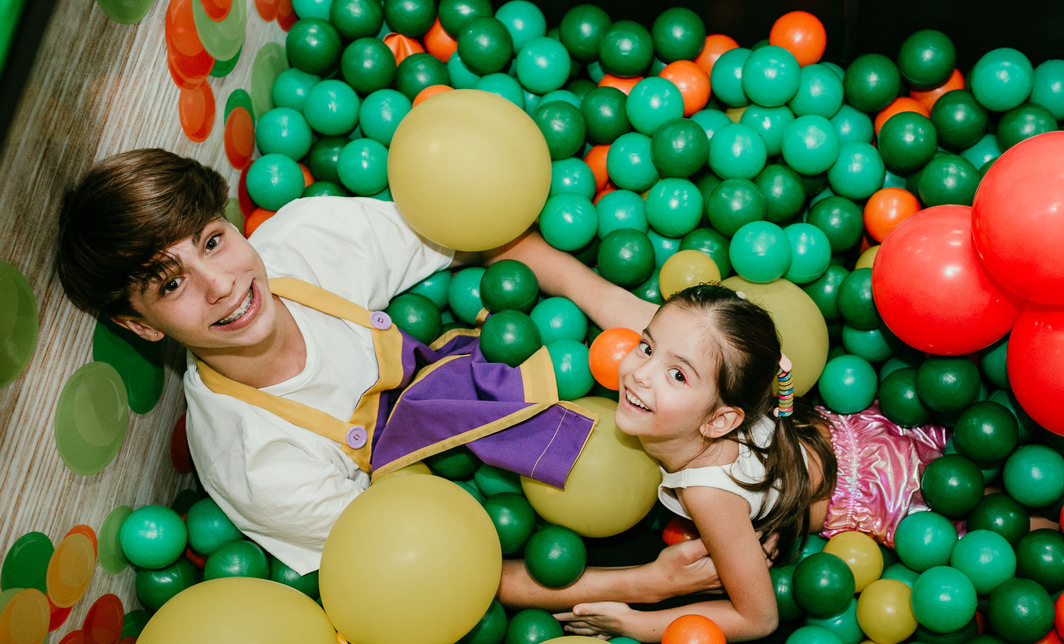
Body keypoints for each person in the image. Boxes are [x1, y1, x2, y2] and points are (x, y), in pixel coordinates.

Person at [55, 149, 723, 600]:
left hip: (532, 374)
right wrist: (637, 584)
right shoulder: (260, 463)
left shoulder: (307, 243)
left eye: (211, 242)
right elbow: (437, 575)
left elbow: (484, 233)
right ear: (141, 325)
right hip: (474, 527)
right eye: (171, 285)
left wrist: (615, 305)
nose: (220, 286)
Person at [500, 284, 948, 643]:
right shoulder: (719, 375)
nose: (640, 373)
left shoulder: (709, 493)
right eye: (646, 348)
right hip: (857, 430)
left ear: (720, 420)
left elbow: (758, 618)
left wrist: (640, 625)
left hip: (889, 495)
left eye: (678, 375)